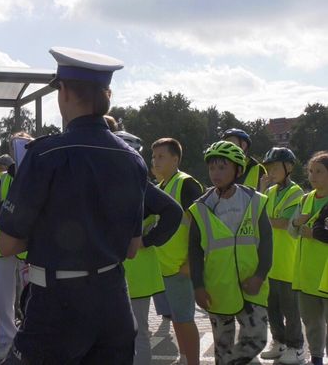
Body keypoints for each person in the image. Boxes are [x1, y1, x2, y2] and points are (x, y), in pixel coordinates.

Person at [0, 46, 148, 364]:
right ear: (107, 94)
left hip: (56, 307)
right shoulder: (133, 159)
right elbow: (133, 247)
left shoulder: (44, 154)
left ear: (63, 92)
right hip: (114, 303)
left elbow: (7, 243)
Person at [189, 140, 272, 365]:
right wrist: (197, 286)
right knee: (222, 346)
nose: (216, 173)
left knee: (257, 339)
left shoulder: (255, 201)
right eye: (212, 167)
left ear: (238, 170)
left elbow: (266, 243)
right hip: (218, 286)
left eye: (222, 167)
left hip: (251, 284)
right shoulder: (201, 206)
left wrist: (260, 275)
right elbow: (194, 251)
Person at [116, 131, 183, 365]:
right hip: (115, 270)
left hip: (137, 271)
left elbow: (174, 212)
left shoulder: (140, 185)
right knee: (121, 333)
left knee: (138, 332)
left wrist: (147, 240)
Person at [150, 137, 203, 365]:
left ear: (176, 158)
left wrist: (193, 262)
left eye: (161, 156)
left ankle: (192, 361)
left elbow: (201, 226)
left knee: (184, 318)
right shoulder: (161, 186)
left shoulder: (186, 184)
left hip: (181, 266)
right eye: (153, 157)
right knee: (177, 320)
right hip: (166, 266)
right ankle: (184, 357)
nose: (155, 161)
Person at [0, 139, 31, 361]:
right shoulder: (2, 178)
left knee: (30, 296)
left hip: (28, 246)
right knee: (3, 298)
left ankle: (30, 339)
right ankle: (6, 341)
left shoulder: (35, 174)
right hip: (1, 246)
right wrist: (8, 209)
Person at [258, 147, 305, 364]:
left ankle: (296, 347)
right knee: (272, 307)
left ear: (289, 168)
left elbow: (284, 222)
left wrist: (264, 219)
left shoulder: (296, 192)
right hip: (270, 261)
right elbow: (256, 214)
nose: (271, 171)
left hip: (287, 262)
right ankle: (279, 342)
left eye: (276, 167)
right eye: (269, 168)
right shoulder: (269, 192)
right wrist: (260, 189)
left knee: (290, 309)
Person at [290, 151, 328, 365]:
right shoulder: (305, 199)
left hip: (326, 275)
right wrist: (296, 222)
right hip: (306, 276)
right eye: (311, 171)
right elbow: (292, 231)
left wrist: (315, 234)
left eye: (319, 172)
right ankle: (316, 358)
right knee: (311, 323)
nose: (313, 176)